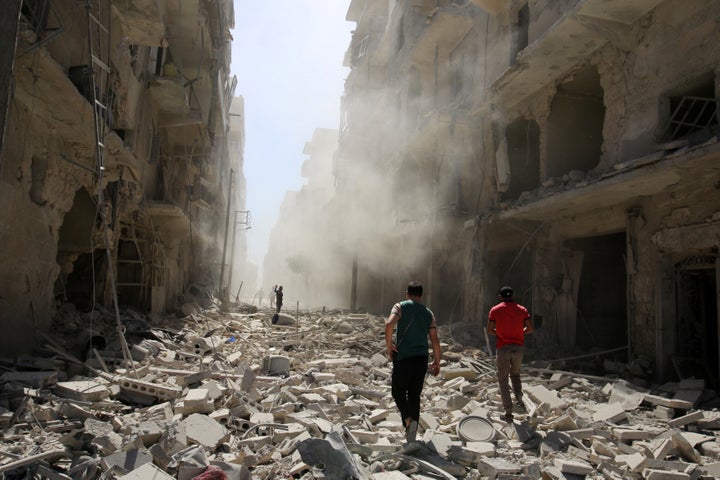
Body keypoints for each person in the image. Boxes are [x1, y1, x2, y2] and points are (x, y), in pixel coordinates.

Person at [385, 281, 441, 443]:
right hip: (421, 359)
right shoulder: (428, 313)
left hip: (403, 357)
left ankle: (408, 421)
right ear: (421, 295)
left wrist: (389, 346)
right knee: (414, 395)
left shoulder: (400, 306)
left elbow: (389, 325)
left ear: (407, 293)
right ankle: (412, 434)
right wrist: (437, 362)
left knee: (398, 391)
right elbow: (435, 341)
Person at [487, 285, 534, 422]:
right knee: (516, 374)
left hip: (503, 347)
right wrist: (520, 332)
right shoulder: (522, 309)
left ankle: (508, 412)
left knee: (503, 379)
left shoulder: (495, 310)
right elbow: (530, 328)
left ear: (500, 297)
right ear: (513, 296)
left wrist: (500, 334)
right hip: (518, 347)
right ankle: (520, 401)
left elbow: (490, 329)